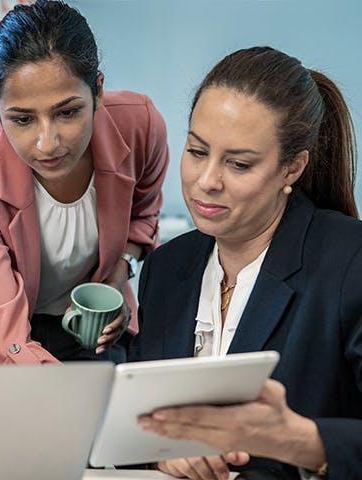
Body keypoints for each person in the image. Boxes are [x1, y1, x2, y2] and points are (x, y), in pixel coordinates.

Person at [130, 46, 362, 479]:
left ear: (292, 167)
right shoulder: (165, 269)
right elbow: (140, 421)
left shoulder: (350, 261)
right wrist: (164, 452)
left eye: (238, 164)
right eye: (197, 151)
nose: (207, 181)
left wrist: (303, 442)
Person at [0, 0, 168, 364]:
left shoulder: (140, 127)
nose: (48, 143)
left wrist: (119, 273)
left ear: (98, 92)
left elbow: (143, 216)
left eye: (68, 112)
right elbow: (2, 324)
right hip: (7, 330)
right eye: (23, 120)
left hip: (95, 327)